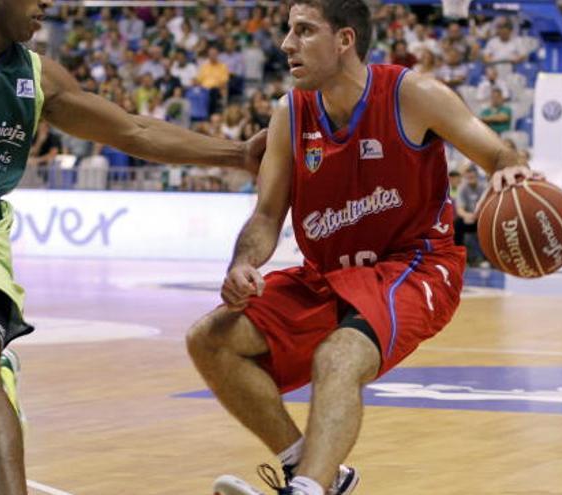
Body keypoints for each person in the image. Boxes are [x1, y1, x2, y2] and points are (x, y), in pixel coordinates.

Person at [0, 2, 266, 494]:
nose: (47, 5)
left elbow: (134, 129)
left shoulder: (40, 78)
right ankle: (0, 369)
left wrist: (236, 155)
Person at [186, 2, 533, 495]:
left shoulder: (413, 94)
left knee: (340, 355)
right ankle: (311, 473)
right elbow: (267, 216)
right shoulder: (291, 114)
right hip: (328, 274)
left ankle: (307, 490)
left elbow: (495, 150)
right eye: (289, 31)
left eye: (304, 31)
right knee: (210, 338)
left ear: (345, 40)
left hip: (415, 267)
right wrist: (243, 261)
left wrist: (507, 168)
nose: (287, 45)